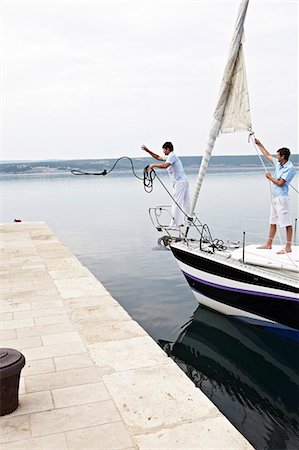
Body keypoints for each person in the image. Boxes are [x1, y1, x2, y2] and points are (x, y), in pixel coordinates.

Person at [255, 138, 296, 254]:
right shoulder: (278, 164)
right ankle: (269, 244)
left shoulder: (290, 168)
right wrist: (259, 144)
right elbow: (266, 155)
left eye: (278, 156)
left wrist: (270, 177)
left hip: (282, 198)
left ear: (283, 156)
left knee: (286, 223)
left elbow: (281, 183)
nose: (276, 157)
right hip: (275, 198)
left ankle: (288, 247)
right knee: (272, 221)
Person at [141, 142, 191, 229]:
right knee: (186, 202)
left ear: (167, 149)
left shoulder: (172, 156)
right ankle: (187, 222)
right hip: (184, 181)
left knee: (176, 203)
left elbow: (165, 165)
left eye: (164, 149)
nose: (163, 151)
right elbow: (158, 157)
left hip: (180, 182)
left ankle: (173, 225)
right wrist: (147, 150)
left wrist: (153, 165)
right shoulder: (170, 156)